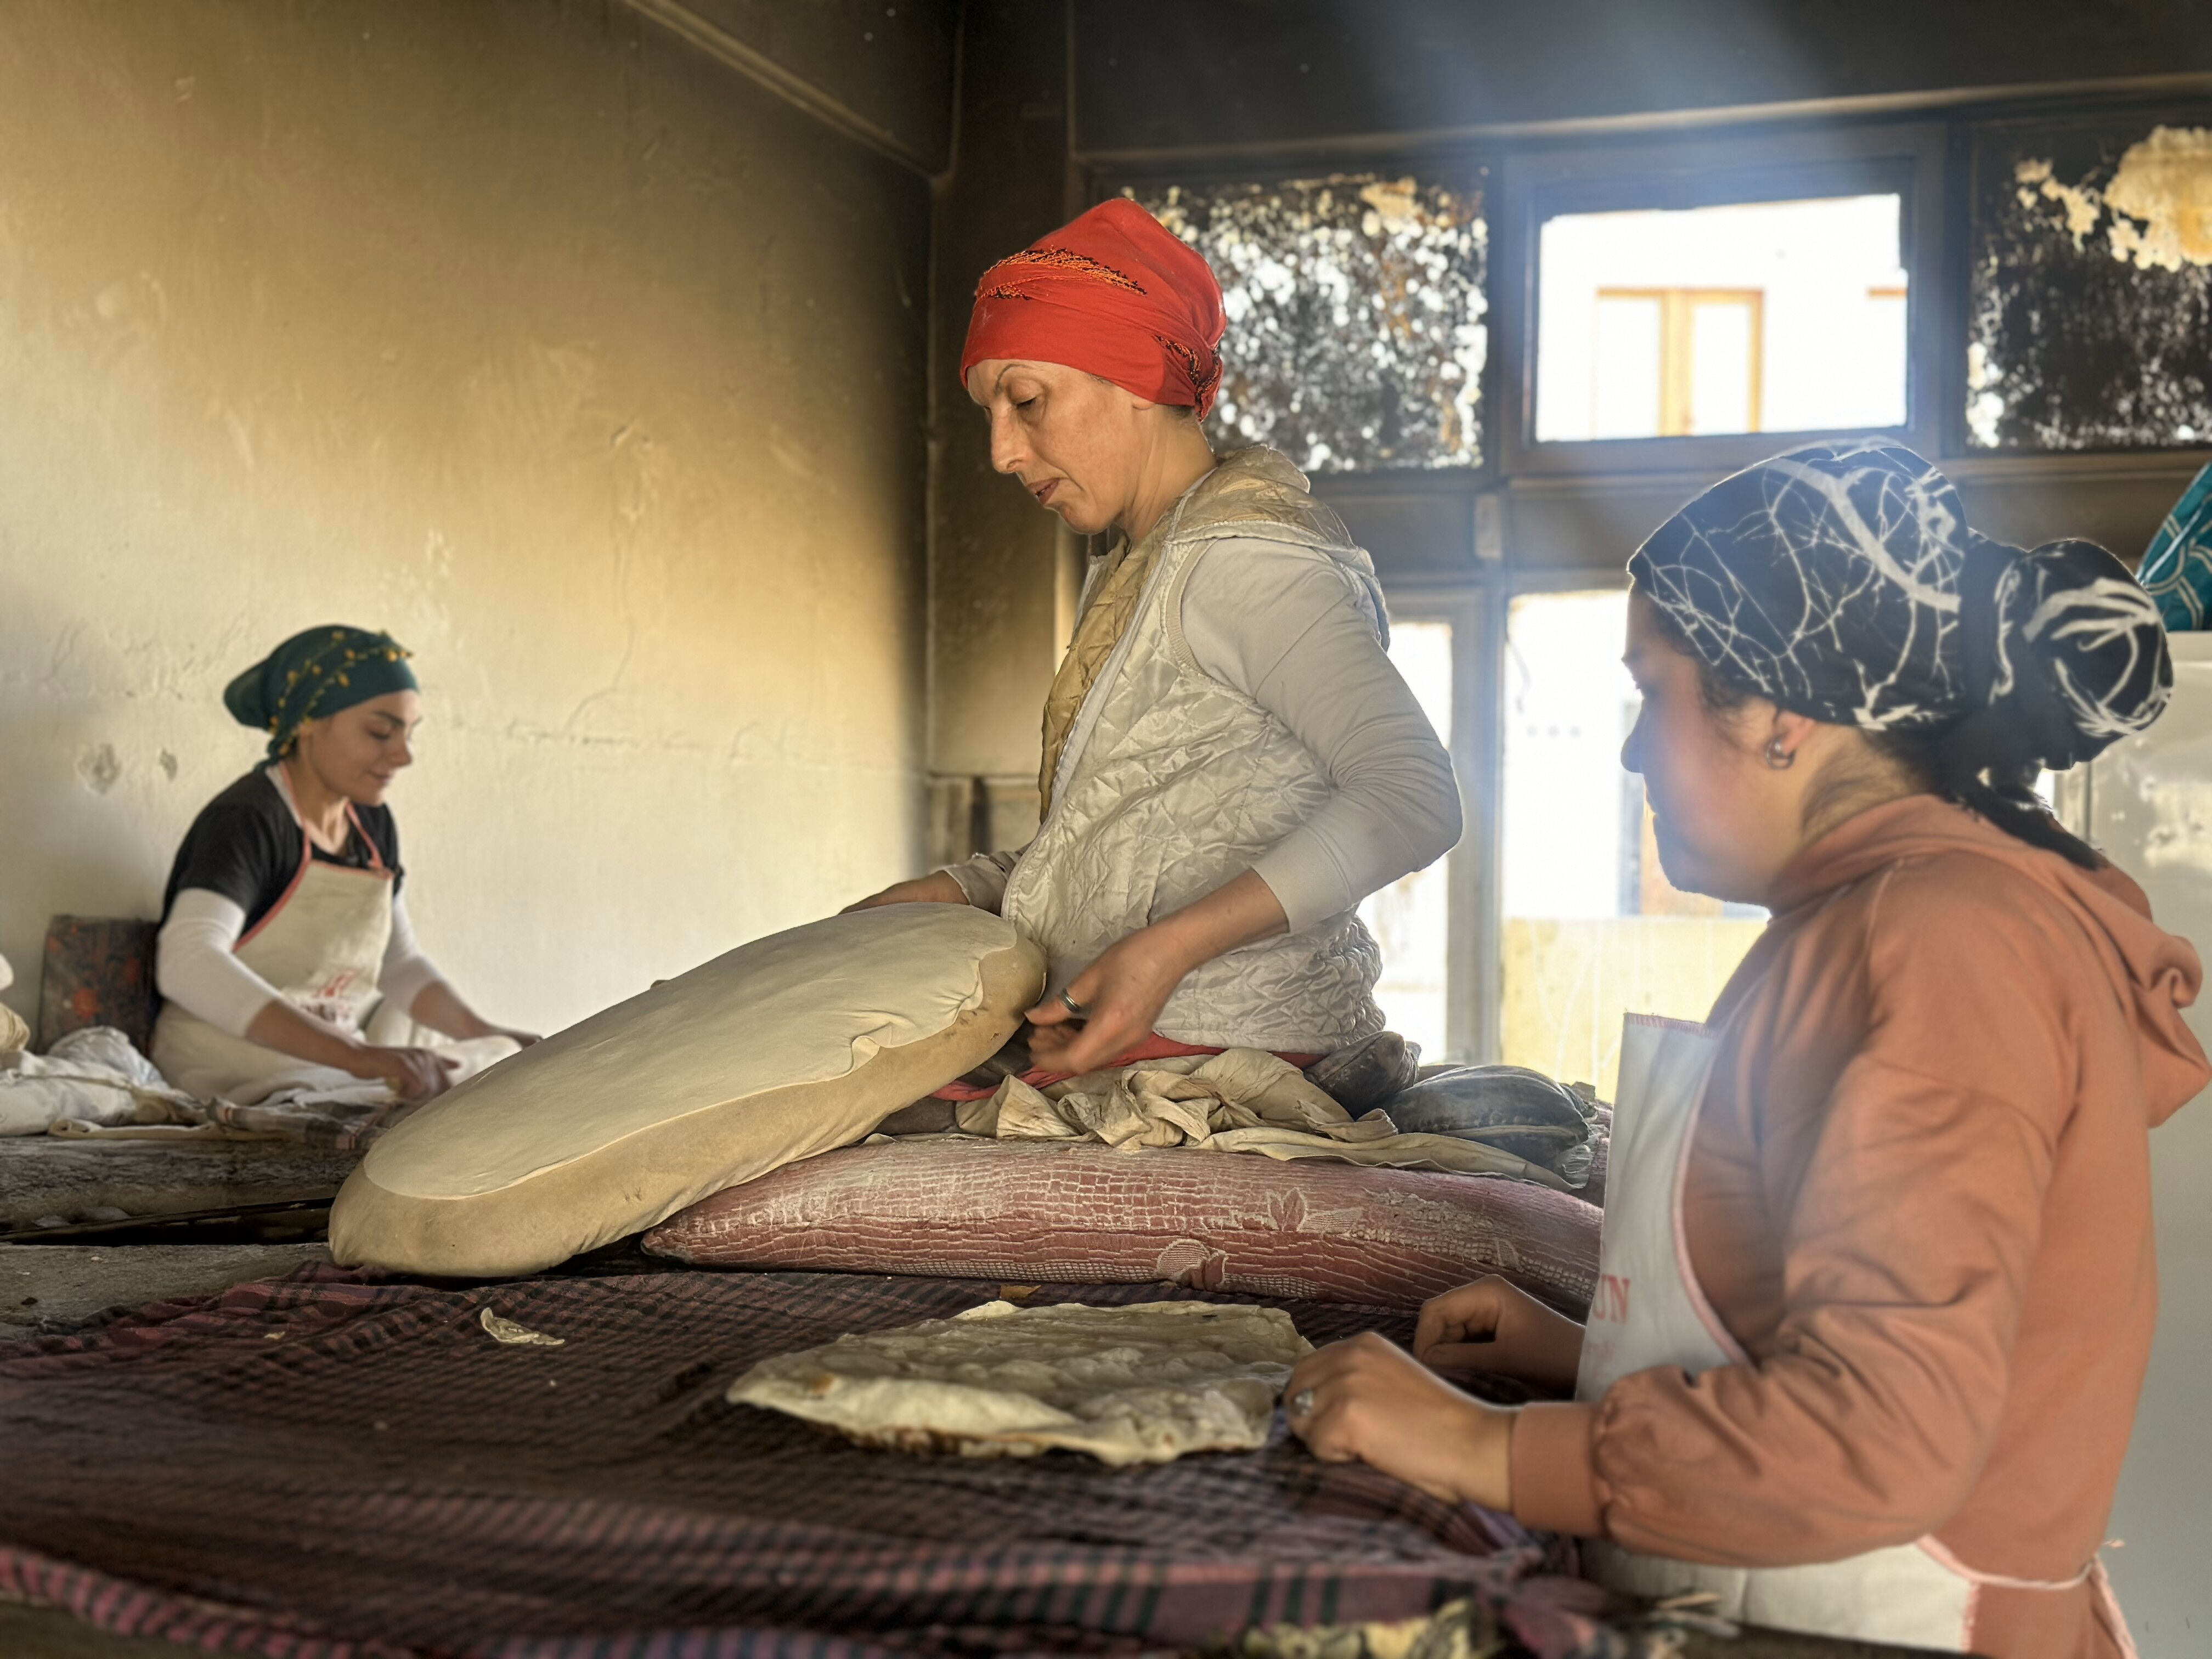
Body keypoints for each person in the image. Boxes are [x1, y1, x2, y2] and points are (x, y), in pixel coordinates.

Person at [1282, 441, 2207, 1659]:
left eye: (1651, 691)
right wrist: (1587, 1360)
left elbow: (1882, 1436)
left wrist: (1474, 1447)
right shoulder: (1866, 915)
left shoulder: (1943, 939)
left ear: (1776, 711)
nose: (1630, 752)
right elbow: (1822, 1301)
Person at [848, 199, 1460, 1079]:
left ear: (1136, 378)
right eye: (992, 413)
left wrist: (1167, 953)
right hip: (1140, 1042)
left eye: (1026, 401)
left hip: (1219, 1052)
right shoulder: (1152, 563)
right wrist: (957, 892)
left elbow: (1414, 797)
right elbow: (1126, 845)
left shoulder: (1242, 562)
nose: (1002, 452)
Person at [152, 625, 536, 1104]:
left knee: (481, 1073)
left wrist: (488, 1037)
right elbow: (187, 960)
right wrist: (355, 1056)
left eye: (409, 734)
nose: (403, 754)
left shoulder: (371, 824)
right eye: (380, 732)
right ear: (309, 722)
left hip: (334, 1061)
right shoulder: (249, 819)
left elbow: (399, 964)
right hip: (230, 1062)